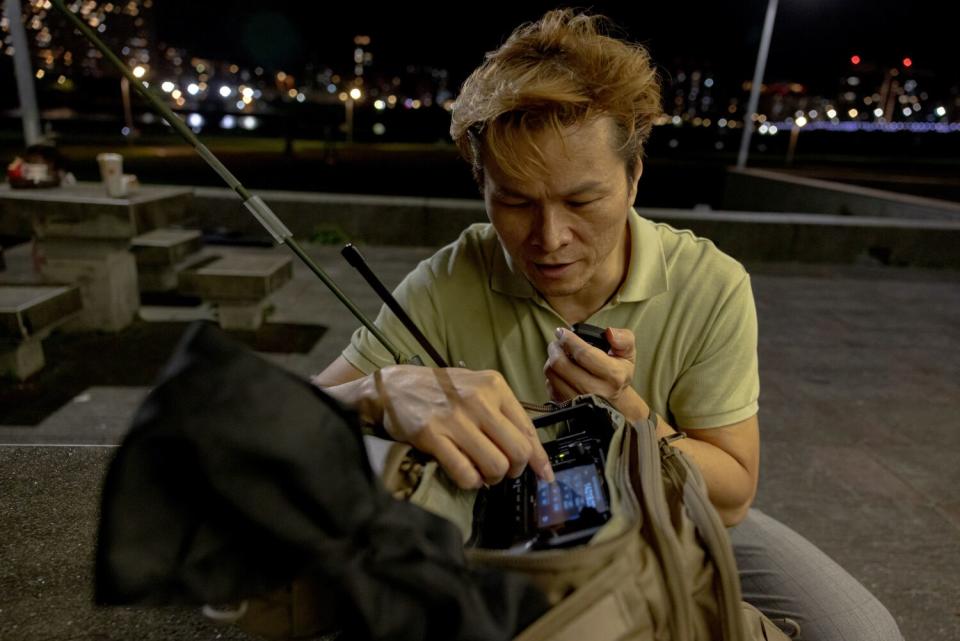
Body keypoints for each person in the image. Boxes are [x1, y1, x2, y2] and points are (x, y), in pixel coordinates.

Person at [315, 9, 902, 641]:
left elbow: (732, 495)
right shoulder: (450, 276)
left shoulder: (710, 283)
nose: (548, 239)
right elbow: (304, 413)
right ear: (481, 184)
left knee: (863, 632)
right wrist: (382, 392)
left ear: (634, 176)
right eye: (514, 201)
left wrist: (624, 408)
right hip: (497, 519)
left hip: (668, 505)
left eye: (581, 200)